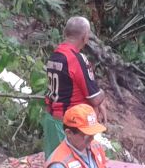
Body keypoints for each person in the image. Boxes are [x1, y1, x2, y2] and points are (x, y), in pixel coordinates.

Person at [43, 16, 105, 157]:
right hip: (71, 124)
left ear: (65, 33)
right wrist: (103, 95)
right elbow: (95, 98)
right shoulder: (76, 59)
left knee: (55, 164)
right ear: (85, 37)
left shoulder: (54, 56)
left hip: (52, 119)